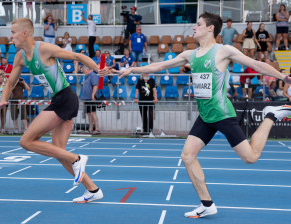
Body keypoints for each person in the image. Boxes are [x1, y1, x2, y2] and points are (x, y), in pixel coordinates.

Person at [119, 12, 291, 218]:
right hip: (205, 116)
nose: (193, 27)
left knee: (251, 157)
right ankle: (207, 204)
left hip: (222, 114)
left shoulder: (223, 50)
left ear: (211, 28)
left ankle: (271, 115)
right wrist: (134, 69)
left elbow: (255, 64)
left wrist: (282, 76)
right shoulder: (190, 55)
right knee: (187, 156)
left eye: (198, 24)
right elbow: (160, 66)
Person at [0, 18, 108, 202]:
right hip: (61, 99)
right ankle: (93, 190)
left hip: (65, 97)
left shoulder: (44, 49)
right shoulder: (20, 56)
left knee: (26, 141)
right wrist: (3, 99)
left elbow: (77, 57)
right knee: (58, 152)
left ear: (25, 33)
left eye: (13, 32)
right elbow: (10, 80)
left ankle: (78, 158)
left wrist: (96, 68)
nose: (10, 36)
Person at [80, 65, 100, 135]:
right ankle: (90, 129)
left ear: (86, 69)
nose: (83, 72)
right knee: (89, 114)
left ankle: (97, 129)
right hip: (87, 98)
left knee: (93, 113)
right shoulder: (88, 76)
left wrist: (93, 95)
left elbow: (95, 85)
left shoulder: (93, 75)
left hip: (91, 98)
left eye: (83, 70)